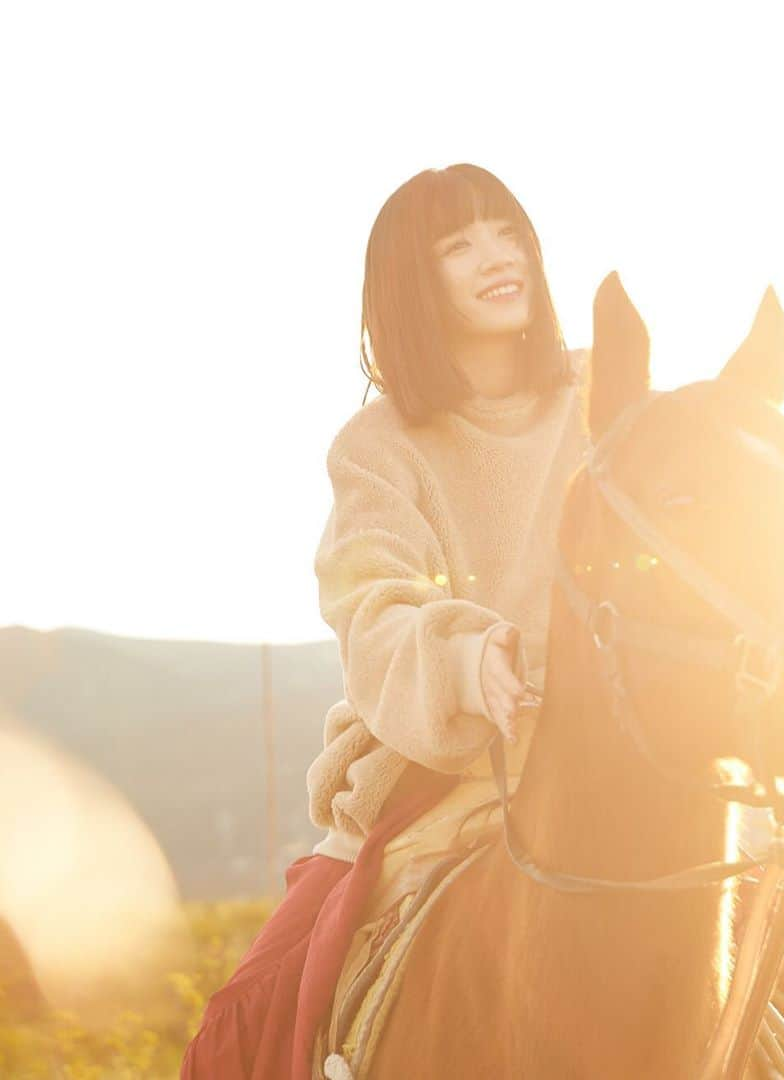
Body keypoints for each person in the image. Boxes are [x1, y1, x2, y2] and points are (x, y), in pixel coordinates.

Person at [180, 163, 591, 1079]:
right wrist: (466, 655)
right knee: (258, 1013)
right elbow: (373, 606)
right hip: (440, 771)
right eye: (459, 243)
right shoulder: (379, 446)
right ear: (414, 279)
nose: (497, 256)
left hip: (616, 746)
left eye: (506, 231)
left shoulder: (606, 394)